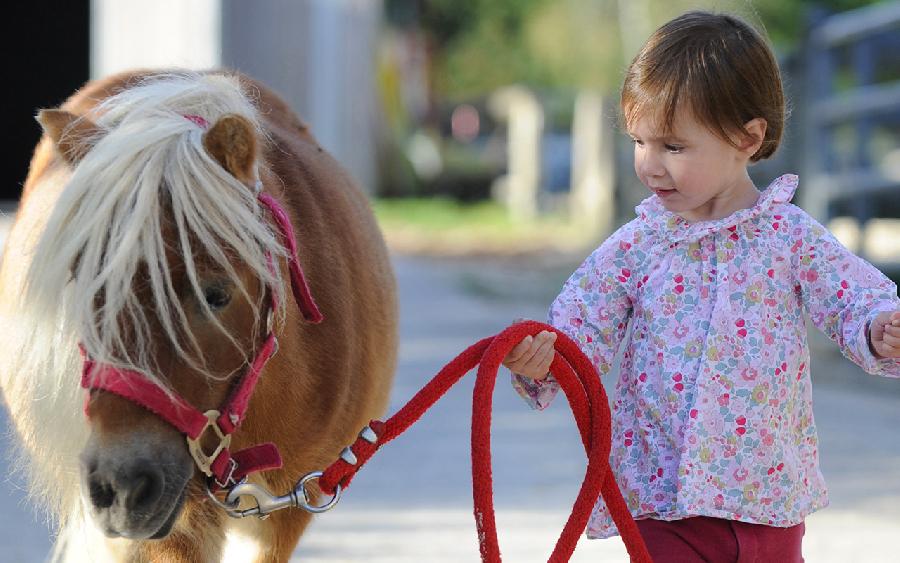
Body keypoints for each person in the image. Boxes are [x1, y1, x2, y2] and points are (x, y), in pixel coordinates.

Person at [503, 10, 900, 563]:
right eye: (640, 141)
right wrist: (543, 361)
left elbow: (851, 294)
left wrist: (880, 327)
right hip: (667, 505)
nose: (649, 165)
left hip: (769, 499)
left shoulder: (788, 236)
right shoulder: (638, 246)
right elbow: (581, 324)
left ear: (747, 136)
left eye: (672, 146)